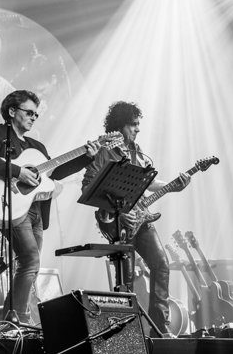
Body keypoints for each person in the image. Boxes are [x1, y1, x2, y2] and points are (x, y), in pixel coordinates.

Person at [0, 90, 100, 324]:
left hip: (36, 210)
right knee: (30, 260)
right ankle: (19, 320)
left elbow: (55, 173)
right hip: (12, 205)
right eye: (29, 112)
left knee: (30, 265)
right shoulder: (0, 133)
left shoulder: (36, 146)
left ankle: (8, 321)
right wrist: (17, 171)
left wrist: (86, 157)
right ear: (12, 111)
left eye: (36, 115)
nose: (33, 117)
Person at [81, 101, 191, 338]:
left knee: (161, 264)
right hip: (117, 220)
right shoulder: (104, 150)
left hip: (141, 218)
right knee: (126, 276)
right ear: (119, 126)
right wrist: (119, 209)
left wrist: (174, 185)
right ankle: (125, 332)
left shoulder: (137, 151)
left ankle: (161, 328)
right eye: (133, 124)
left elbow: (148, 182)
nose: (137, 129)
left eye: (138, 124)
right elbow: (88, 186)